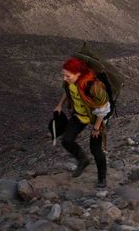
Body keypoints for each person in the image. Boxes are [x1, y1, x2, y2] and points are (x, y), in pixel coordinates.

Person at [54, 57, 110, 188]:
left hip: (97, 117)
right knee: (66, 140)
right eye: (64, 75)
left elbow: (103, 107)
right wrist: (60, 105)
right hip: (80, 114)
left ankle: (102, 178)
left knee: (95, 149)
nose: (65, 78)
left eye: (68, 75)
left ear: (78, 74)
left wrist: (96, 128)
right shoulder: (70, 82)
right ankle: (83, 160)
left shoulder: (93, 86)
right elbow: (67, 91)